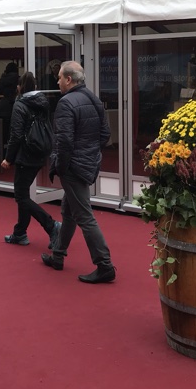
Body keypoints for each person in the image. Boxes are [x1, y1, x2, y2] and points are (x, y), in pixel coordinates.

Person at [41, 61, 116, 284]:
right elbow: (105, 135)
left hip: (73, 166)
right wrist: (90, 152)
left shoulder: (66, 103)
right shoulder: (94, 99)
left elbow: (64, 141)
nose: (57, 81)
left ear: (68, 79)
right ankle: (58, 255)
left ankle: (104, 265)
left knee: (84, 215)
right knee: (69, 210)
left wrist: (62, 167)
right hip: (87, 163)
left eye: (59, 77)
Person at [1, 72, 61, 248]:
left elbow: (16, 134)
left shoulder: (20, 105)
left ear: (19, 87)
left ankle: (51, 225)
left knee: (21, 196)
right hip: (40, 151)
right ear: (35, 87)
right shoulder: (43, 102)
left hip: (25, 154)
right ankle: (20, 232)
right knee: (23, 194)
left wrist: (8, 158)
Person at [0, 62, 20, 144]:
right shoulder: (18, 79)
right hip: (15, 105)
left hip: (4, 105)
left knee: (4, 128)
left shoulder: (2, 79)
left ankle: (2, 146)